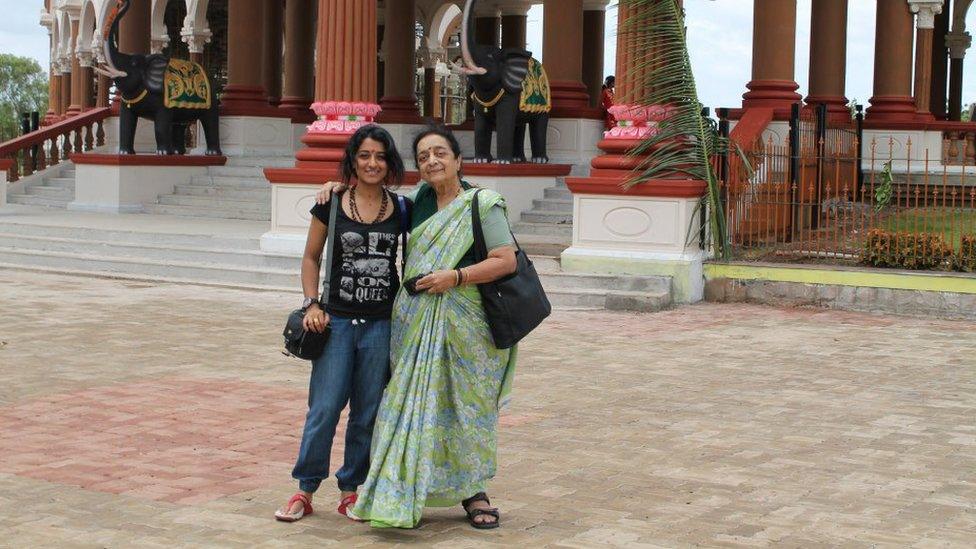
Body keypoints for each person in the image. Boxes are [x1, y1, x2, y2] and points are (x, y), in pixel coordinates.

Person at [315, 125, 519, 529]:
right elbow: (374, 207)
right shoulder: (419, 202)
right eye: (423, 156)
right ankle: (401, 486)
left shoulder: (482, 204)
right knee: (407, 406)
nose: (431, 161)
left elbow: (505, 260)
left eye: (440, 153)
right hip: (413, 324)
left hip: (466, 329)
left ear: (459, 160)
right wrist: (336, 188)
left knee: (465, 411)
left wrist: (455, 277)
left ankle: (474, 493)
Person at [275, 124, 408, 523]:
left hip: (381, 324)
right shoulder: (330, 204)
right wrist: (312, 303)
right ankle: (305, 488)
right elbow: (311, 258)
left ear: (390, 163)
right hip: (335, 324)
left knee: (367, 412)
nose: (372, 163)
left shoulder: (402, 208)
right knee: (325, 408)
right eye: (364, 155)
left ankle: (352, 490)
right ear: (352, 160)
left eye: (380, 156)